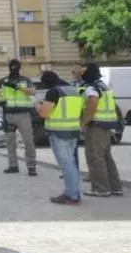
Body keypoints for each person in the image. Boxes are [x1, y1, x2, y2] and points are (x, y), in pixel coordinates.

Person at [35, 71, 83, 205]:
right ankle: (75, 192)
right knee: (71, 163)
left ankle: (70, 195)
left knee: (66, 164)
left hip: (59, 132)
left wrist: (37, 104)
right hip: (73, 131)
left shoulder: (54, 92)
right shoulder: (73, 90)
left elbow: (44, 113)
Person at [80, 63, 123, 197]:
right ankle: (115, 187)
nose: (81, 74)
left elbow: (93, 102)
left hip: (96, 126)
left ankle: (101, 188)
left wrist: (84, 121)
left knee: (95, 157)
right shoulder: (103, 86)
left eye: (83, 71)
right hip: (107, 125)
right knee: (106, 157)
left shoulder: (92, 88)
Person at [0, 59, 37, 176]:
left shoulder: (25, 80)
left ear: (19, 67)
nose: (14, 68)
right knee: (10, 142)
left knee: (28, 141)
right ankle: (13, 166)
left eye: (16, 66)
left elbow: (33, 92)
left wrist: (18, 87)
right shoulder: (3, 81)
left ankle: (31, 167)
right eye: (12, 66)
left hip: (23, 114)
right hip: (8, 114)